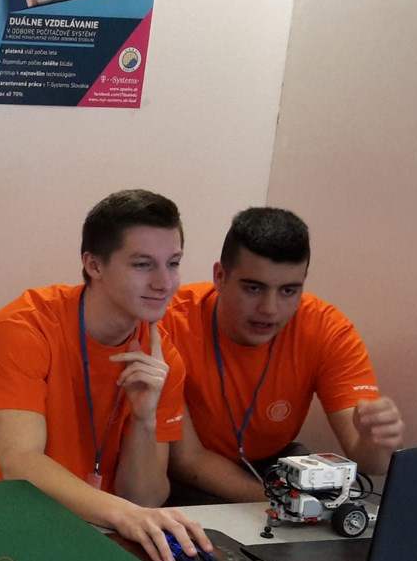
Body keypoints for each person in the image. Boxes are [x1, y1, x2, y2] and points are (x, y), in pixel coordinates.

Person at [0, 189, 211, 561]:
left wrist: (145, 420)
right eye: (143, 265)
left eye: (173, 263)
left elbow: (143, 500)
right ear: (93, 265)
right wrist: (124, 514)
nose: (165, 283)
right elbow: (20, 462)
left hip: (79, 527)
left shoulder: (160, 356)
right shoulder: (22, 329)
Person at [163, 208, 404, 504]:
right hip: (190, 477)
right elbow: (186, 459)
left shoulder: (326, 328)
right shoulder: (169, 322)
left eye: (288, 291)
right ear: (220, 277)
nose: (270, 309)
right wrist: (287, 505)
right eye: (254, 288)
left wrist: (375, 442)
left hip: (276, 465)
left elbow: (371, 464)